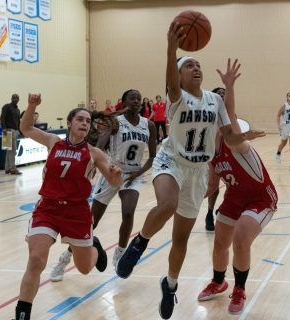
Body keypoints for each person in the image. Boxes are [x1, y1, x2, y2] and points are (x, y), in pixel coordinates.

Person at [115, 21, 265, 320]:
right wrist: (172, 49)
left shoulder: (216, 100)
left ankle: (170, 285)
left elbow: (229, 136)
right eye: (189, 66)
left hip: (197, 171)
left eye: (199, 65)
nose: (197, 68)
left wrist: (244, 137)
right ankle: (139, 243)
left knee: (180, 240)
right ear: (179, 75)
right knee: (167, 204)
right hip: (171, 160)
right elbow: (170, 81)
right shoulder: (176, 97)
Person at [14, 93, 122, 320]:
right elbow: (25, 128)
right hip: (48, 208)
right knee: (36, 260)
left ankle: (95, 246)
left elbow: (114, 183)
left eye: (88, 121)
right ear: (70, 123)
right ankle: (22, 314)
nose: (85, 123)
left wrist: (116, 175)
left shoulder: (94, 153)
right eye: (80, 119)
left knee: (84, 268)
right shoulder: (53, 142)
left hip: (77, 212)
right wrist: (32, 105)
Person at [50, 89, 157, 281]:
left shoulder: (148, 125)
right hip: (111, 171)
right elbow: (99, 147)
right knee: (91, 222)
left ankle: (120, 254)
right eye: (132, 98)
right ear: (124, 102)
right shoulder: (115, 123)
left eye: (139, 99)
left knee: (128, 212)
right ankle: (64, 259)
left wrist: (137, 174)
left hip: (133, 174)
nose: (136, 101)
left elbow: (152, 157)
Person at [197, 60, 277, 315]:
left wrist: (229, 87)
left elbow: (229, 117)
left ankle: (240, 289)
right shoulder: (210, 149)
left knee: (241, 239)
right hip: (234, 197)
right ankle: (219, 282)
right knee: (220, 243)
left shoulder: (237, 143)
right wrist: (190, 196)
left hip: (260, 198)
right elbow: (211, 184)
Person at [205, 87, 225, 232]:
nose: (222, 96)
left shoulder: (230, 114)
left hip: (228, 155)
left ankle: (225, 208)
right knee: (213, 187)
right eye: (219, 94)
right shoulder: (207, 113)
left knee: (235, 185)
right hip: (212, 155)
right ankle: (209, 213)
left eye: (224, 94)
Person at [275, 92, 290, 169]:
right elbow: (278, 115)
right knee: (283, 143)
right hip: (285, 126)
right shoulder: (284, 106)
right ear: (287, 97)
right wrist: (278, 125)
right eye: (289, 96)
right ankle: (278, 153)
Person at [0, 93, 22, 175]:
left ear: (18, 100)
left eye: (17, 98)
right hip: (7, 130)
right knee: (12, 150)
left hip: (15, 131)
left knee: (9, 151)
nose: (15, 99)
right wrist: (4, 128)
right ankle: (12, 168)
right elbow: (2, 117)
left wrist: (20, 131)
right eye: (14, 98)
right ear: (11, 98)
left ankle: (7, 168)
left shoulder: (18, 110)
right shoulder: (6, 106)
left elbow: (18, 122)